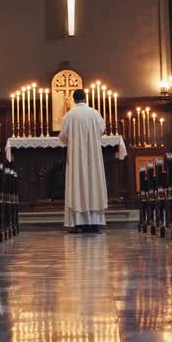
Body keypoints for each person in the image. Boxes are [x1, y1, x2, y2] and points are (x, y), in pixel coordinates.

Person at [58, 88, 107, 233]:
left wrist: (73, 143)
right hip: (93, 156)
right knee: (93, 182)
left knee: (78, 183)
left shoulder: (69, 115)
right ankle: (94, 222)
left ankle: (78, 223)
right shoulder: (95, 113)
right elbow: (101, 130)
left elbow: (63, 136)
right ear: (85, 98)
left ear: (73, 99)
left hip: (76, 156)